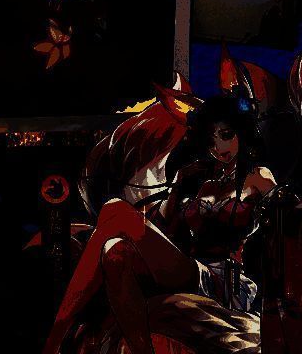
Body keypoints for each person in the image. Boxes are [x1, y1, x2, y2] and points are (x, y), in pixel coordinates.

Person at [43, 92, 276, 354]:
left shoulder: (258, 176)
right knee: (115, 251)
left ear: (243, 132)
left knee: (115, 209)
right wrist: (177, 187)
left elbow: (292, 211)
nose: (218, 147)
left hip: (224, 281)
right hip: (191, 267)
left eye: (226, 135)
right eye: (211, 140)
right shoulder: (205, 184)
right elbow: (167, 229)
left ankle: (54, 341)